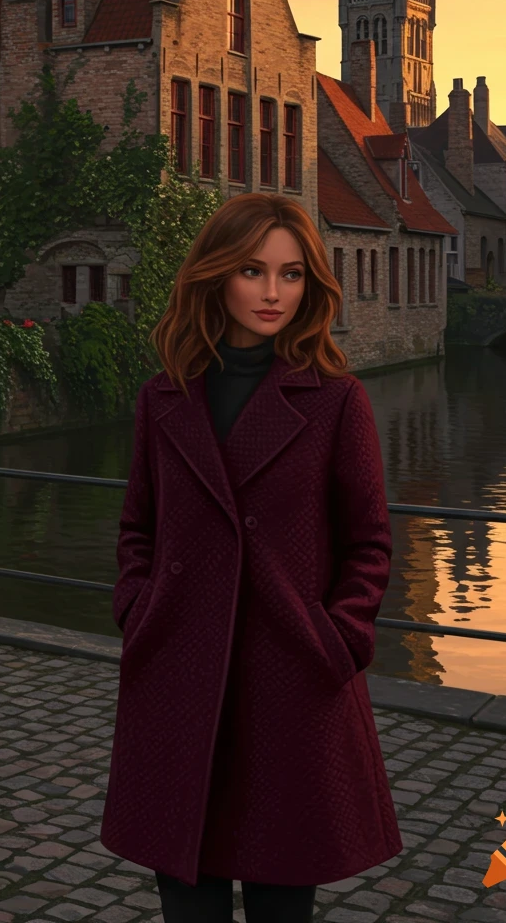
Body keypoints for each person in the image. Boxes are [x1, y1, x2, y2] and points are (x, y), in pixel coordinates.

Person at [100, 193, 403, 923]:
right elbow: (139, 524)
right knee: (187, 899)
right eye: (252, 271)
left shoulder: (336, 400)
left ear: (311, 286)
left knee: (279, 902)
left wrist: (339, 637)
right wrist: (138, 607)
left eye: (292, 274)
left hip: (289, 681)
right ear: (215, 276)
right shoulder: (163, 397)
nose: (272, 294)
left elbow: (369, 543)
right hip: (179, 678)